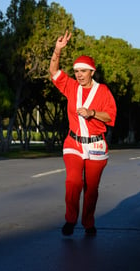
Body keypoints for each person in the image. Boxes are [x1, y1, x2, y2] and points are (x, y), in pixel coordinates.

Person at [49, 31, 117, 236]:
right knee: (73, 182)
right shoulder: (71, 86)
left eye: (83, 71)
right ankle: (70, 220)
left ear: (92, 72)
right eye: (76, 70)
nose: (78, 74)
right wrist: (57, 50)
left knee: (91, 189)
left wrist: (92, 113)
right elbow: (53, 72)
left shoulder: (103, 91)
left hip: (96, 144)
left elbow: (110, 116)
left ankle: (88, 222)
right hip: (73, 143)